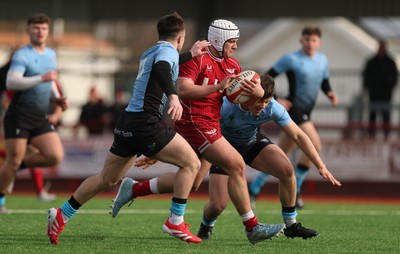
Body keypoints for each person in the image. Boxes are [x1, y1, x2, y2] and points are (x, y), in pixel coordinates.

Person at [112, 19, 286, 245]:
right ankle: (252, 227)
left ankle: (134, 188)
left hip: (210, 123)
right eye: (232, 41)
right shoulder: (197, 58)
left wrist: (257, 93)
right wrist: (217, 87)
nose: (235, 46)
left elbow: (237, 99)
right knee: (236, 164)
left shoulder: (233, 65)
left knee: (192, 181)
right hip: (196, 122)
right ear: (219, 39)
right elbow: (183, 90)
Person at [47, 12, 211, 245]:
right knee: (192, 163)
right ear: (180, 37)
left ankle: (62, 213)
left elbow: (166, 63)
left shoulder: (150, 52)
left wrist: (190, 55)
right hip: (146, 123)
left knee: (107, 178)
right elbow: (165, 67)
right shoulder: (166, 54)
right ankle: (175, 220)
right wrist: (173, 96)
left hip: (128, 122)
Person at [113, 74, 341, 240]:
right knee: (208, 198)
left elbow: (299, 135)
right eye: (258, 100)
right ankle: (137, 190)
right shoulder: (224, 105)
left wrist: (320, 165)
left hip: (250, 143)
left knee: (287, 170)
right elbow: (193, 126)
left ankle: (291, 225)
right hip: (218, 145)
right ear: (245, 94)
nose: (262, 106)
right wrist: (159, 154)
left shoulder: (272, 107)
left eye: (265, 100)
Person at [249, 26, 339, 209]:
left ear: (319, 43)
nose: (310, 43)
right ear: (301, 41)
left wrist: (329, 93)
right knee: (314, 144)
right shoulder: (291, 59)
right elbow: (266, 78)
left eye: (313, 40)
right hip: (294, 110)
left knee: (283, 152)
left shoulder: (322, 60)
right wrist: (276, 98)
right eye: (306, 39)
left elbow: (323, 80)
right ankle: (296, 189)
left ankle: (254, 187)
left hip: (307, 112)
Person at [0, 13, 68, 214]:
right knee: (12, 160)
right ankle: (1, 200)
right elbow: (12, 82)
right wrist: (40, 78)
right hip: (18, 115)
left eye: (44, 28)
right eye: (36, 28)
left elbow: (51, 80)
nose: (40, 32)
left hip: (39, 117)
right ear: (28, 30)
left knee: (54, 156)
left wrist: (56, 98)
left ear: (48, 31)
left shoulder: (51, 55)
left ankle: (18, 165)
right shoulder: (22, 55)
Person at [362, 40, 398, 140]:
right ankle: (371, 135)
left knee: (386, 117)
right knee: (372, 117)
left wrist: (389, 86)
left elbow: (394, 77)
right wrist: (368, 87)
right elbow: (366, 76)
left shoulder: (390, 62)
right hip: (373, 95)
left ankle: (386, 135)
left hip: (386, 95)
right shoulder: (371, 62)